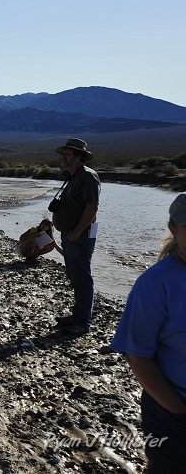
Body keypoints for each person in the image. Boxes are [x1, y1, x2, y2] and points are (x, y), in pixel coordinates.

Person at [110, 194, 186, 471]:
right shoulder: (155, 283)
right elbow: (137, 355)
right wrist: (177, 411)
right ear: (173, 229)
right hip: (172, 409)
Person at [52, 138, 101, 336]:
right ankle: (78, 315)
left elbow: (92, 207)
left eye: (68, 153)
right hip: (71, 234)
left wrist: (77, 232)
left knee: (82, 276)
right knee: (75, 275)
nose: (64, 156)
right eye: (63, 153)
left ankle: (83, 322)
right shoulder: (73, 176)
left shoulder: (88, 176)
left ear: (79, 157)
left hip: (80, 235)